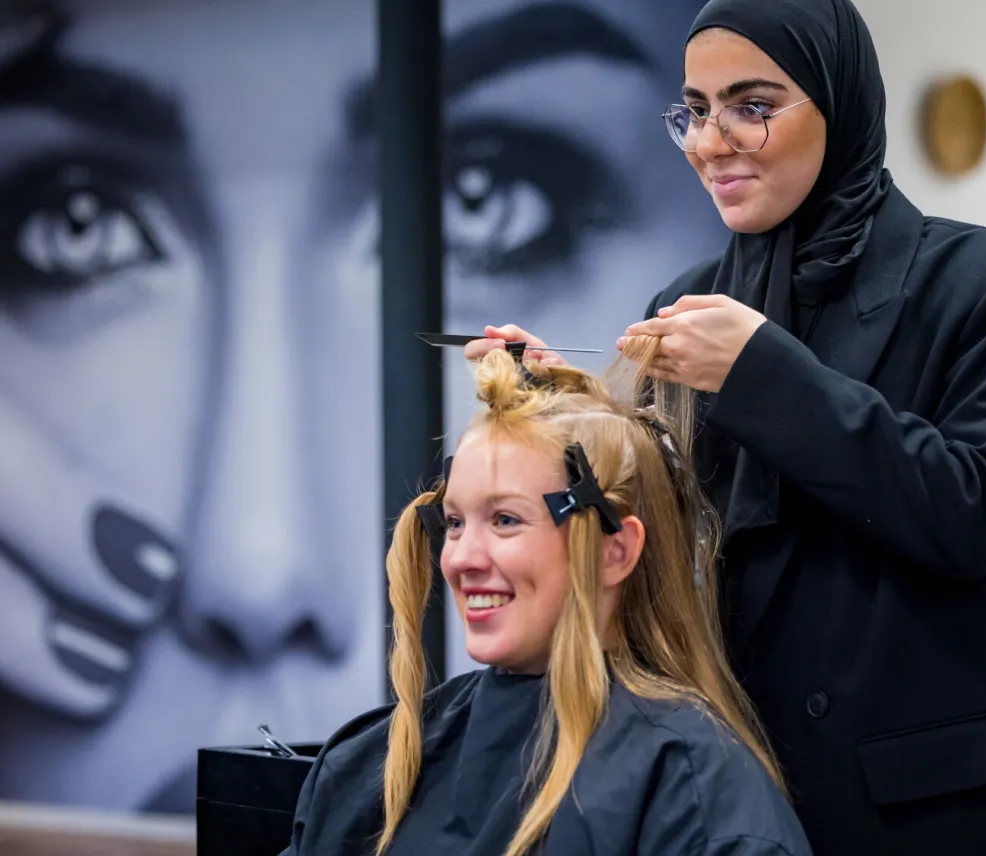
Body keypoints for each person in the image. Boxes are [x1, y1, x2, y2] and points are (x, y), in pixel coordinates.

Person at [0, 0, 724, 813]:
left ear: (621, 546)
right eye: (78, 224)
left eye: (482, 196)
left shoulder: (700, 797)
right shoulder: (363, 781)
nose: (258, 572)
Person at [465, 0, 986, 853]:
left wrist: (762, 372)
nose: (710, 141)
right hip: (736, 800)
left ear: (841, 102)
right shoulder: (683, 305)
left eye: (752, 107)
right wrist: (560, 404)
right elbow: (650, 524)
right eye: (695, 109)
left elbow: (972, 515)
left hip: (934, 813)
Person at [281, 345, 811, 856]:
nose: (462, 558)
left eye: (505, 520)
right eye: (456, 523)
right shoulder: (369, 767)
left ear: (615, 550)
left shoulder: (692, 793)